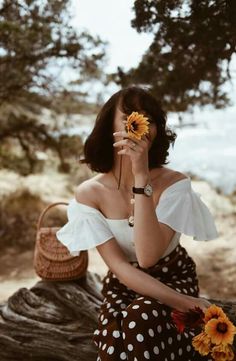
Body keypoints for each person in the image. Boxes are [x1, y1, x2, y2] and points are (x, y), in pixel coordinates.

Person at [56, 86, 219, 361]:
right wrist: (189, 305)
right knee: (126, 328)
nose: (140, 125)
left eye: (149, 119)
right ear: (109, 126)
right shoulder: (89, 193)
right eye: (130, 117)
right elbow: (120, 266)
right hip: (123, 285)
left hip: (173, 277)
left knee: (139, 318)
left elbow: (148, 256)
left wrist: (141, 176)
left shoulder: (174, 184)